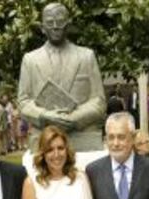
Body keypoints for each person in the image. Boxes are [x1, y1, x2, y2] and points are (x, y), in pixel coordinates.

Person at [18, 2, 106, 152]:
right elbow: (23, 103)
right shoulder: (30, 60)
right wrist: (45, 116)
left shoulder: (86, 56)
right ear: (42, 27)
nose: (55, 26)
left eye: (60, 21)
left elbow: (99, 102)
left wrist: (74, 118)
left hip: (82, 136)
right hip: (45, 139)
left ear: (68, 24)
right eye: (49, 22)